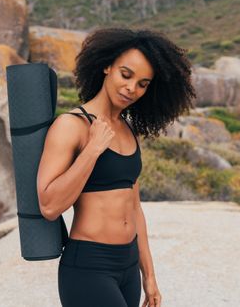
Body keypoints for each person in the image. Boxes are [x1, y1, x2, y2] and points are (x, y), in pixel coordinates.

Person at [37, 28, 196, 307]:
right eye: (126, 74)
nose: (132, 88)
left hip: (128, 266)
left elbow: (134, 208)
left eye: (143, 83)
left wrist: (149, 275)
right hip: (89, 266)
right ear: (107, 66)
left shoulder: (127, 130)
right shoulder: (71, 126)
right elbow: (49, 205)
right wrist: (93, 149)